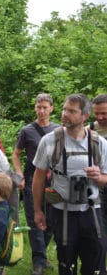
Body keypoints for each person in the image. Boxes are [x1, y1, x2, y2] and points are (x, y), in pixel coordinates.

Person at [32, 93, 107, 275]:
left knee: (95, 263)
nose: (65, 114)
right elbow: (39, 177)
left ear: (84, 116)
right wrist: (38, 210)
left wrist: (98, 177)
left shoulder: (99, 143)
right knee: (66, 263)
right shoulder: (50, 141)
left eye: (72, 111)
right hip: (62, 212)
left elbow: (105, 180)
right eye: (65, 109)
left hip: (91, 211)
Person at [11, 93, 59, 275]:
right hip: (33, 180)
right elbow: (16, 154)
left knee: (52, 220)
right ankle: (38, 262)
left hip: (54, 180)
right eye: (39, 107)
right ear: (35, 108)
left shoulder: (58, 130)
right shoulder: (27, 130)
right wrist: (19, 175)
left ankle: (42, 255)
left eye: (45, 107)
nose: (41, 110)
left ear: (51, 108)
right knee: (34, 219)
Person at [90, 94, 107, 275]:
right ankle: (100, 269)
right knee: (100, 231)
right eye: (97, 113)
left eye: (104, 113)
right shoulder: (92, 129)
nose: (100, 117)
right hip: (99, 187)